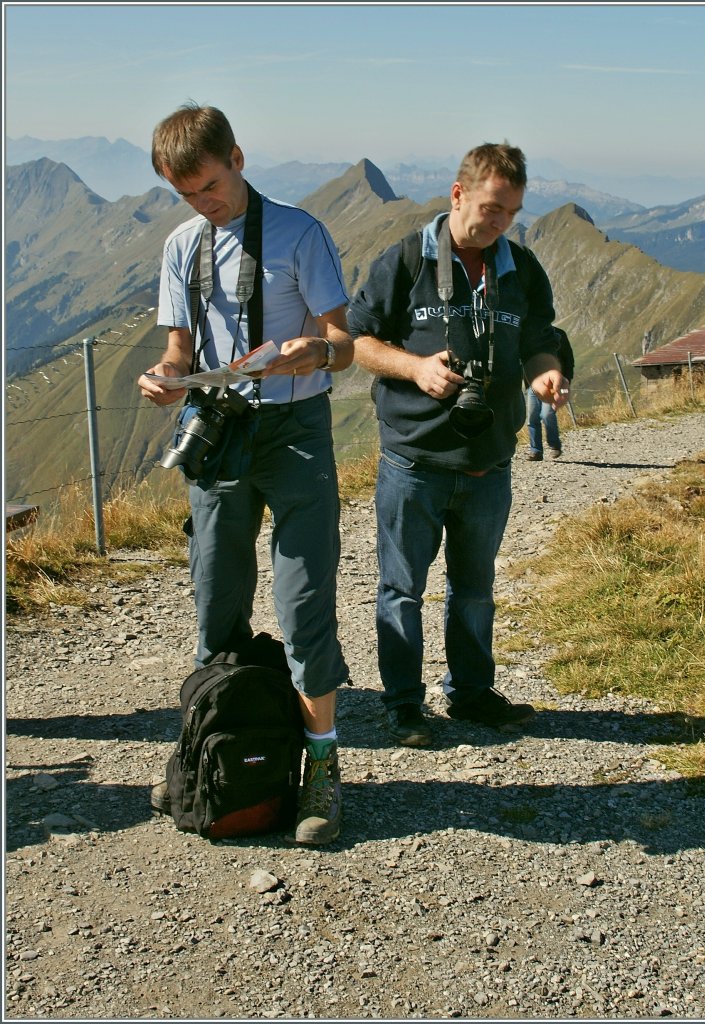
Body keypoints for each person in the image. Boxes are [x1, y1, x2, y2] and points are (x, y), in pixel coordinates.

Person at [138, 103, 353, 845]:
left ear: (237, 157)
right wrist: (168, 377)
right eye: (186, 193)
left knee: (304, 603)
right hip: (220, 431)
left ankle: (321, 769)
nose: (204, 203)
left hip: (296, 431)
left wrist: (315, 353)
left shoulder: (300, 232)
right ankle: (206, 754)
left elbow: (343, 342)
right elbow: (179, 347)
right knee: (215, 599)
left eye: (210, 185)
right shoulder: (181, 246)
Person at [346, 142, 568, 747]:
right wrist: (416, 368)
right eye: (492, 208)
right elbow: (357, 341)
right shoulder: (405, 260)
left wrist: (545, 374)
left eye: (511, 213)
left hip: (487, 464)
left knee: (474, 593)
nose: (500, 224)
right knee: (401, 590)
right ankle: (403, 705)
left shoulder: (520, 269)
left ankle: (470, 693)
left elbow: (539, 341)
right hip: (413, 461)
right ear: (458, 194)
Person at [527, 326, 574, 461]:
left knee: (547, 414)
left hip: (555, 384)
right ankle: (536, 451)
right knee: (532, 418)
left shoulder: (559, 334)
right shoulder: (529, 334)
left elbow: (568, 359)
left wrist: (566, 381)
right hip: (533, 384)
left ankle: (554, 445)